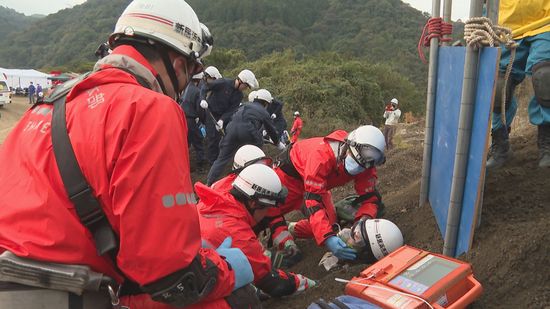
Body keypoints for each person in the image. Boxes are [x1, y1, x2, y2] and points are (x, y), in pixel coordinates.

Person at [0, 1, 256, 308]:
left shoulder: (44, 108)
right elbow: (170, 273)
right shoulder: (149, 109)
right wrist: (225, 270)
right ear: (178, 64)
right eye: (190, 71)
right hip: (68, 293)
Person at [198, 164, 317, 300]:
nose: (267, 214)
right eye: (267, 208)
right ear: (254, 203)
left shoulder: (214, 200)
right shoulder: (237, 231)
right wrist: (303, 283)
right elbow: (270, 282)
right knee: (245, 299)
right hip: (196, 291)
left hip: (188, 279)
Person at [268, 125, 386, 263]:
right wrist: (328, 238)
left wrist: (363, 220)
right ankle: (277, 230)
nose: (358, 168)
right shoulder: (321, 156)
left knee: (329, 225)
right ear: (348, 146)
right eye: (355, 161)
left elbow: (370, 198)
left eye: (365, 164)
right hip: (289, 180)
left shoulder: (366, 164)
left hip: (317, 185)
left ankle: (292, 228)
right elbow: (313, 202)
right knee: (268, 216)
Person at [486, 0, 550, 168]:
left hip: (546, 20)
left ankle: (547, 142)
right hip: (505, 25)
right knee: (498, 87)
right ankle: (501, 142)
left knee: (545, 76)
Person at [206, 89, 284, 185]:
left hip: (230, 130)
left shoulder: (243, 105)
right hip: (248, 131)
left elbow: (231, 116)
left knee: (221, 159)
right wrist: (277, 142)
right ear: (265, 103)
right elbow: (271, 130)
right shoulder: (264, 112)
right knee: (256, 156)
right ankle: (253, 180)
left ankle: (209, 183)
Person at [200, 69, 258, 165]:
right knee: (212, 138)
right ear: (240, 81)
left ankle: (220, 158)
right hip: (210, 112)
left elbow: (232, 110)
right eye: (246, 86)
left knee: (223, 137)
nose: (246, 88)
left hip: (222, 117)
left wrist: (222, 120)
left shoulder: (239, 95)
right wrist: (203, 99)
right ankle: (212, 162)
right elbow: (205, 87)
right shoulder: (223, 82)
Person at [180, 71, 207, 169]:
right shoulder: (197, 91)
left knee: (185, 143)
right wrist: (203, 120)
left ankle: (183, 164)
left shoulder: (185, 88)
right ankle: (200, 166)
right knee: (198, 141)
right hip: (191, 120)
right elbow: (200, 109)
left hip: (182, 118)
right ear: (199, 79)